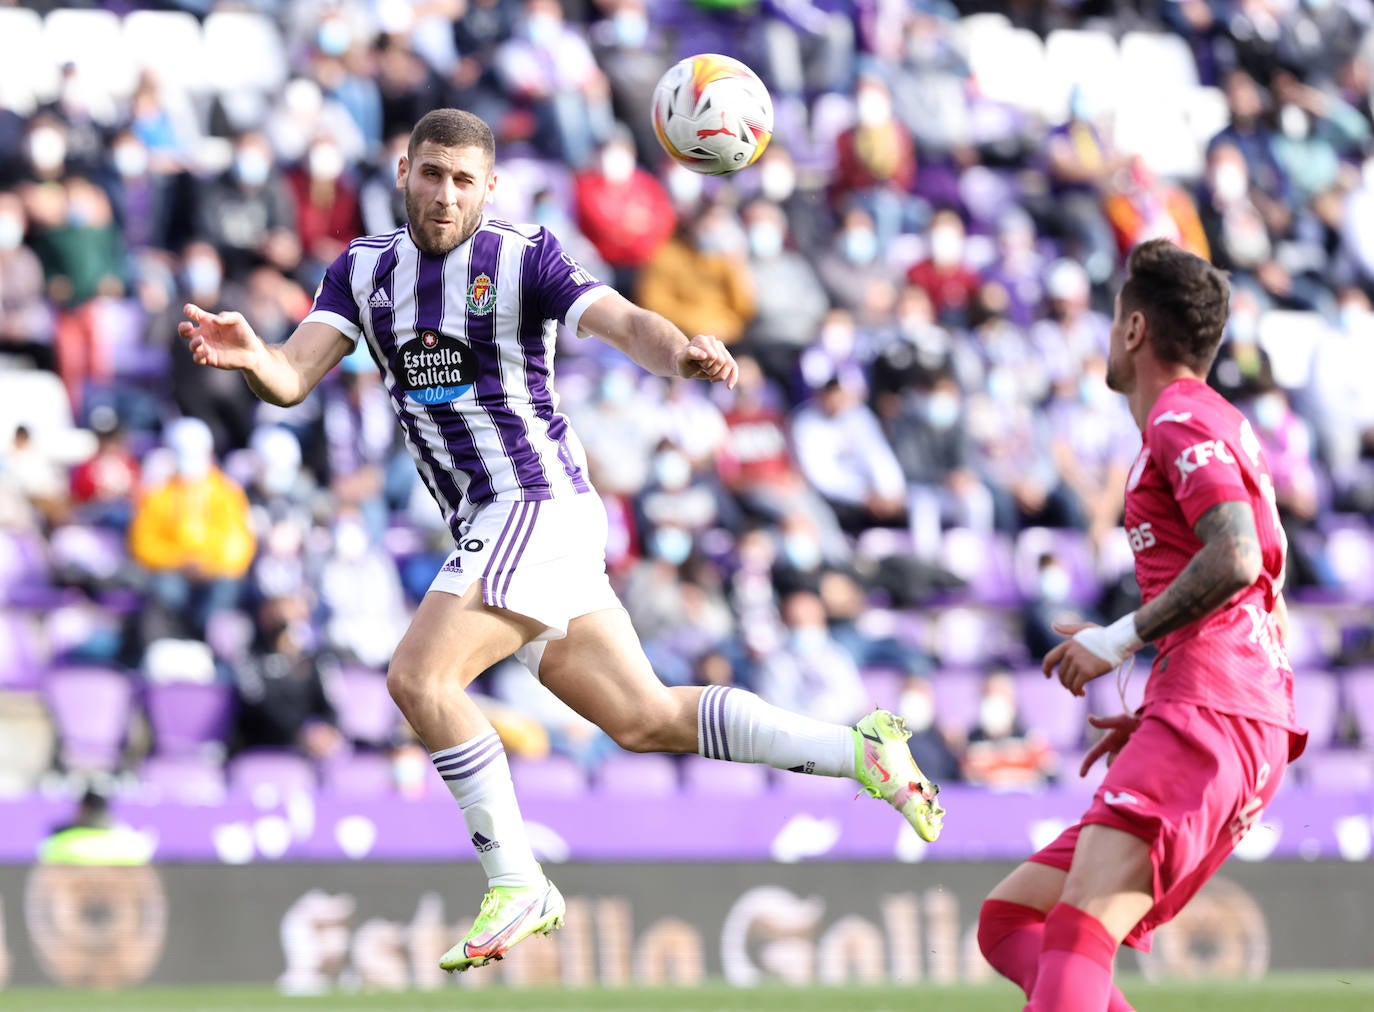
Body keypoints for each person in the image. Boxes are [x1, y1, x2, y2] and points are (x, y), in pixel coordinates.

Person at [178, 108, 944, 975]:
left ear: (489, 187)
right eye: (431, 173)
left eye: (464, 179)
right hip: (497, 523)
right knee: (646, 718)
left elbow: (619, 320)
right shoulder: (361, 271)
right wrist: (254, 358)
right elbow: (293, 375)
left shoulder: (523, 254)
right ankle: (863, 752)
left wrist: (682, 353)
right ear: (404, 171)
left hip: (532, 499)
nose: (445, 193)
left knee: (419, 678)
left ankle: (517, 879)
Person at [977, 240, 1306, 1012]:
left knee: (1077, 934)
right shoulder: (1224, 425)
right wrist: (1169, 700)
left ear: (1132, 331)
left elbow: (1235, 558)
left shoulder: (1179, 418)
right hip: (1217, 710)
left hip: (1215, 712)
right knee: (1011, 919)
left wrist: (1117, 640)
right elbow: (1267, 580)